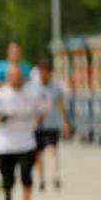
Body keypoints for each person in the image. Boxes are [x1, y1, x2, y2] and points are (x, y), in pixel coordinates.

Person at [0, 64, 38, 200]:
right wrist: (0, 118)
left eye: (18, 76)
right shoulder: (0, 95)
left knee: (26, 176)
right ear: (8, 78)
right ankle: (8, 194)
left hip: (27, 143)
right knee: (7, 178)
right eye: (13, 77)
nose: (16, 79)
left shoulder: (30, 94)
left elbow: (40, 110)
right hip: (6, 145)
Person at [28, 59, 71, 191]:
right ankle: (41, 179)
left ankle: (55, 176)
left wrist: (66, 122)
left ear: (50, 73)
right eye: (41, 72)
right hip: (37, 125)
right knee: (38, 153)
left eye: (46, 72)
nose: (43, 75)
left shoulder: (56, 87)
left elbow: (61, 104)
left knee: (53, 149)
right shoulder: (32, 88)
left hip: (52, 124)